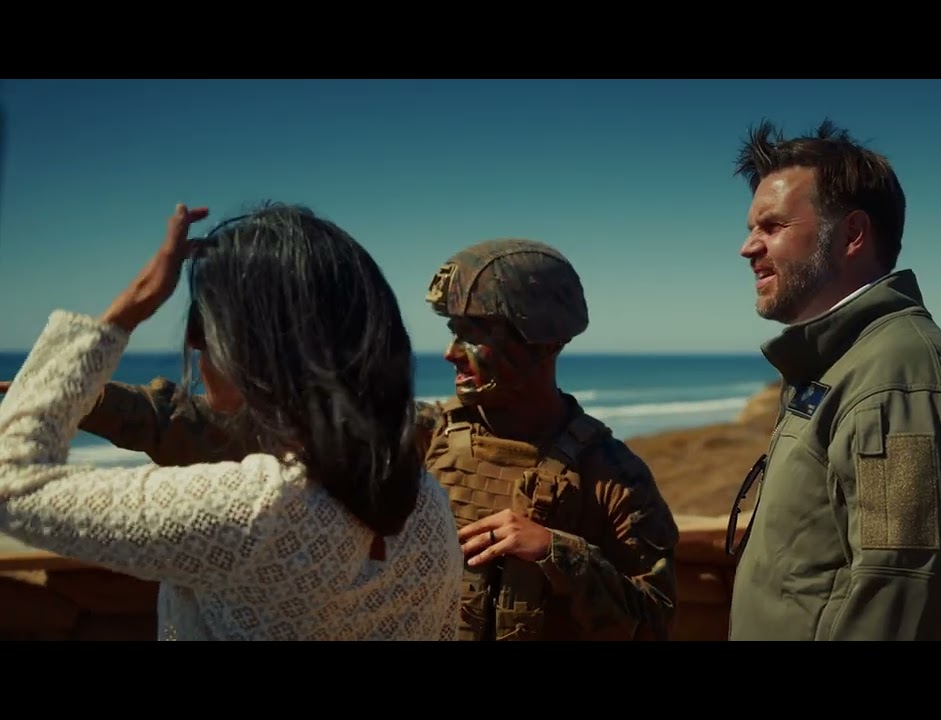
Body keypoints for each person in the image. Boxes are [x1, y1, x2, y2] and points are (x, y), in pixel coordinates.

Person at [16, 237, 682, 641]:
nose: (451, 353)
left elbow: (655, 619)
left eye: (475, 333)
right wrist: (77, 395)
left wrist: (559, 553)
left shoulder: (610, 474)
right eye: (453, 330)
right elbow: (215, 429)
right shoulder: (425, 433)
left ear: (542, 342)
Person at [0, 203, 464, 641]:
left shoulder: (253, 511)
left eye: (203, 325)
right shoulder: (427, 503)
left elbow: (10, 484)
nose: (194, 343)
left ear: (255, 348)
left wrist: (135, 301)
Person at [724, 119, 941, 640]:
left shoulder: (901, 384)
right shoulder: (846, 364)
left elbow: (898, 592)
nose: (748, 248)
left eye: (772, 226)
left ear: (852, 234)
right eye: (752, 228)